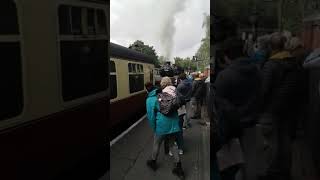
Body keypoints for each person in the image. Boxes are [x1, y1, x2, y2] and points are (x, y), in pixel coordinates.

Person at [258, 32, 305, 180]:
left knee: (271, 143)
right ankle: (285, 171)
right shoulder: (295, 62)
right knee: (286, 141)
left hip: (272, 109)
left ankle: (272, 173)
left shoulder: (271, 65)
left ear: (271, 47)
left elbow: (263, 90)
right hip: (290, 108)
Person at [214, 37, 262, 180]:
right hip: (252, 124)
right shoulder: (257, 70)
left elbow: (219, 105)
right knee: (250, 164)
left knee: (231, 166)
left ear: (227, 56)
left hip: (231, 130)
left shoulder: (224, 76)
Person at [145, 79, 185, 179]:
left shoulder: (151, 99)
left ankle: (153, 162)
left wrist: (154, 128)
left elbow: (151, 117)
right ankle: (179, 168)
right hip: (173, 126)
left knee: (157, 144)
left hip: (161, 126)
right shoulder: (172, 95)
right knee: (173, 145)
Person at [175, 73, 192, 153]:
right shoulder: (190, 83)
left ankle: (184, 125)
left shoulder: (180, 85)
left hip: (181, 102)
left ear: (180, 79)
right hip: (188, 100)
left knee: (182, 114)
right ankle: (186, 123)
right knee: (188, 112)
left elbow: (177, 95)